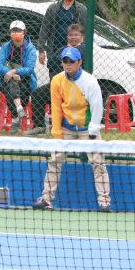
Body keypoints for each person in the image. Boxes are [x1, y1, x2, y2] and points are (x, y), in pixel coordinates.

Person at [32, 47, 111, 212]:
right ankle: (46, 199)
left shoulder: (90, 82)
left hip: (87, 128)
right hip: (66, 127)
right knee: (54, 161)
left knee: (98, 162)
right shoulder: (56, 81)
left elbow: (97, 107)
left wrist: (93, 131)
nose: (68, 65)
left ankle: (104, 201)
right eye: (65, 61)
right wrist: (57, 133)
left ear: (79, 62)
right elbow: (56, 107)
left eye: (71, 62)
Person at [25, 23, 85, 135]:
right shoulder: (63, 48)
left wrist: (62, 59)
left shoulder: (83, 48)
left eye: (76, 35)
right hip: (57, 85)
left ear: (82, 37)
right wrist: (64, 56)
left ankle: (61, 125)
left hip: (75, 86)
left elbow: (64, 60)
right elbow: (50, 63)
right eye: (70, 35)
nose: (73, 37)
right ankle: (40, 126)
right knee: (37, 94)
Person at [38, 0, 88, 81]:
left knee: (73, 82)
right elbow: (45, 29)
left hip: (74, 51)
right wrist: (41, 49)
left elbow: (86, 31)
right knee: (56, 81)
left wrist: (82, 46)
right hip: (55, 50)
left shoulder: (82, 9)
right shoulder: (53, 8)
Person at [0, 20, 37, 133]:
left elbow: (29, 69)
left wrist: (14, 71)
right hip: (7, 78)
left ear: (24, 33)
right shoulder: (5, 46)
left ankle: (15, 118)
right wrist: (11, 74)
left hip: (24, 79)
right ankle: (18, 110)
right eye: (13, 31)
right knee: (10, 84)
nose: (16, 33)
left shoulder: (30, 49)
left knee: (15, 88)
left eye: (18, 31)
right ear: (10, 33)